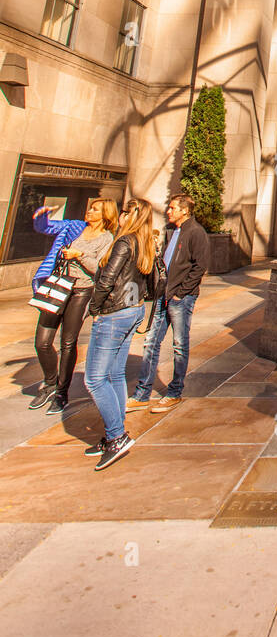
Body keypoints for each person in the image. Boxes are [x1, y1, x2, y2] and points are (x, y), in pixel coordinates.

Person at [84, 198, 157, 470]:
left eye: (125, 211)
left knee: (94, 379)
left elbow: (107, 279)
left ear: (131, 215)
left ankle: (116, 436)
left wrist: (94, 307)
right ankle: (115, 430)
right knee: (115, 374)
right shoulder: (145, 242)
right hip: (133, 310)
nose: (121, 215)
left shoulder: (125, 242)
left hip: (114, 312)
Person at [32, 199, 118, 414]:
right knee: (42, 342)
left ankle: (62, 391)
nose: (89, 211)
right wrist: (42, 215)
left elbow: (99, 269)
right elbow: (47, 227)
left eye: (95, 209)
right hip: (58, 286)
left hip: (81, 291)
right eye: (90, 208)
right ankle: (50, 381)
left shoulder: (107, 239)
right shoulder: (75, 227)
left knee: (68, 343)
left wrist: (80, 255)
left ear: (105, 215)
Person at [127, 194, 209, 414]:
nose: (168, 211)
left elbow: (200, 266)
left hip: (180, 298)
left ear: (185, 210)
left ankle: (174, 392)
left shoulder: (196, 232)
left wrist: (181, 294)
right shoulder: (173, 232)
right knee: (151, 343)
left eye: (173, 208)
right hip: (163, 296)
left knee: (179, 345)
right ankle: (142, 393)